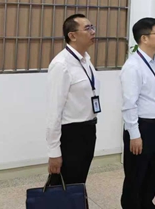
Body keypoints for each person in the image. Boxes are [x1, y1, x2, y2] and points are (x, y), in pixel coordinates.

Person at [120, 18, 155, 209]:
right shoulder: (133, 66)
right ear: (144, 38)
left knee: (152, 173)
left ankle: (147, 204)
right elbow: (129, 104)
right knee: (136, 175)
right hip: (141, 128)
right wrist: (134, 134)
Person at [46, 14, 100, 185]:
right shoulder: (61, 64)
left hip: (88, 129)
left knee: (79, 181)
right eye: (87, 28)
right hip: (71, 134)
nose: (93, 32)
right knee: (66, 184)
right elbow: (54, 110)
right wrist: (54, 151)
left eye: (92, 27)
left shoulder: (86, 60)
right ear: (72, 35)